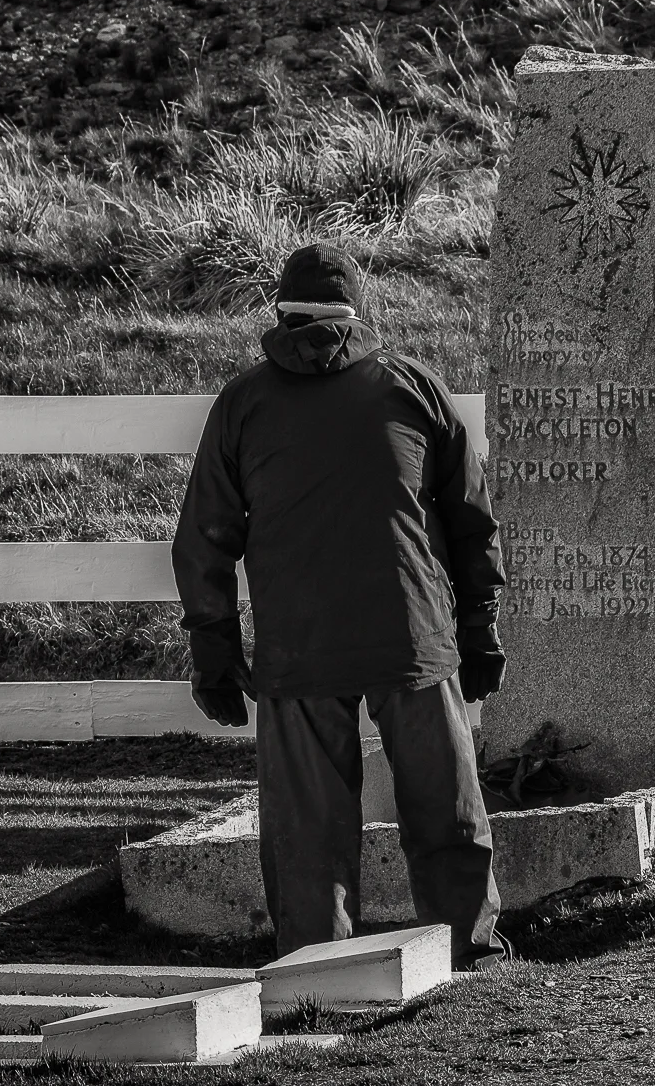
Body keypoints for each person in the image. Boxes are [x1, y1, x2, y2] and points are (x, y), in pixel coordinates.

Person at [172, 243, 508, 968]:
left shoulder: (242, 404)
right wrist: (480, 623)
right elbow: (471, 517)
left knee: (308, 828)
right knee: (445, 807)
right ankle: (466, 948)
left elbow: (203, 539)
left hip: (301, 648)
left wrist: (215, 650)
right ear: (358, 312)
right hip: (410, 634)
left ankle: (314, 965)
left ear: (281, 314)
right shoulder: (412, 387)